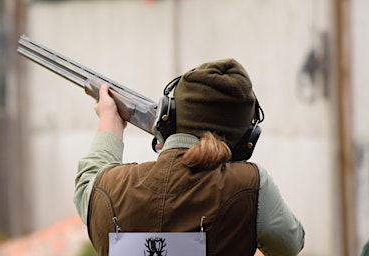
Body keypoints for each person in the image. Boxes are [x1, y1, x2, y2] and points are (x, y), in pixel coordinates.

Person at [74, 58, 305, 255]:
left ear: (170, 115)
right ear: (246, 140)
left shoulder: (109, 188)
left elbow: (88, 185)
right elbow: (290, 245)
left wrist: (109, 119)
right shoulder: (252, 186)